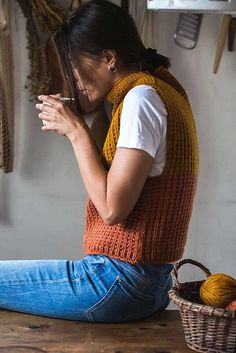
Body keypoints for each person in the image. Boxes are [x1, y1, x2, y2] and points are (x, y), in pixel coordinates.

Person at [0, 0, 199, 322]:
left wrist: (77, 132)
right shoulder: (157, 91)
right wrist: (80, 124)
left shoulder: (140, 99)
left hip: (120, 282)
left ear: (108, 58)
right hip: (147, 283)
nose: (71, 77)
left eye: (73, 64)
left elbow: (112, 209)